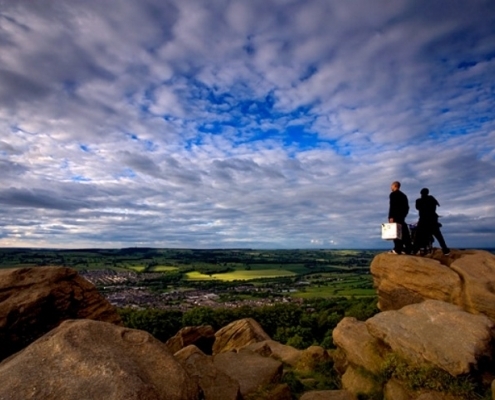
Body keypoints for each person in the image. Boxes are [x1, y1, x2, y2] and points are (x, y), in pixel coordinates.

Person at [413, 188, 450, 256]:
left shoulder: (419, 201)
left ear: (421, 193)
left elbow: (417, 207)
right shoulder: (432, 199)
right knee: (439, 236)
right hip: (432, 220)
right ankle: (445, 250)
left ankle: (415, 251)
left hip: (423, 221)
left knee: (418, 237)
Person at [388, 181, 412, 254]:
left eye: (391, 186)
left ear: (395, 186)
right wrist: (404, 215)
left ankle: (397, 249)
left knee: (395, 233)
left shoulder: (393, 194)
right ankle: (407, 249)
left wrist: (391, 216)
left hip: (395, 216)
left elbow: (392, 206)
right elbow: (407, 207)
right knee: (404, 233)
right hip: (401, 217)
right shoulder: (403, 195)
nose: (390, 187)